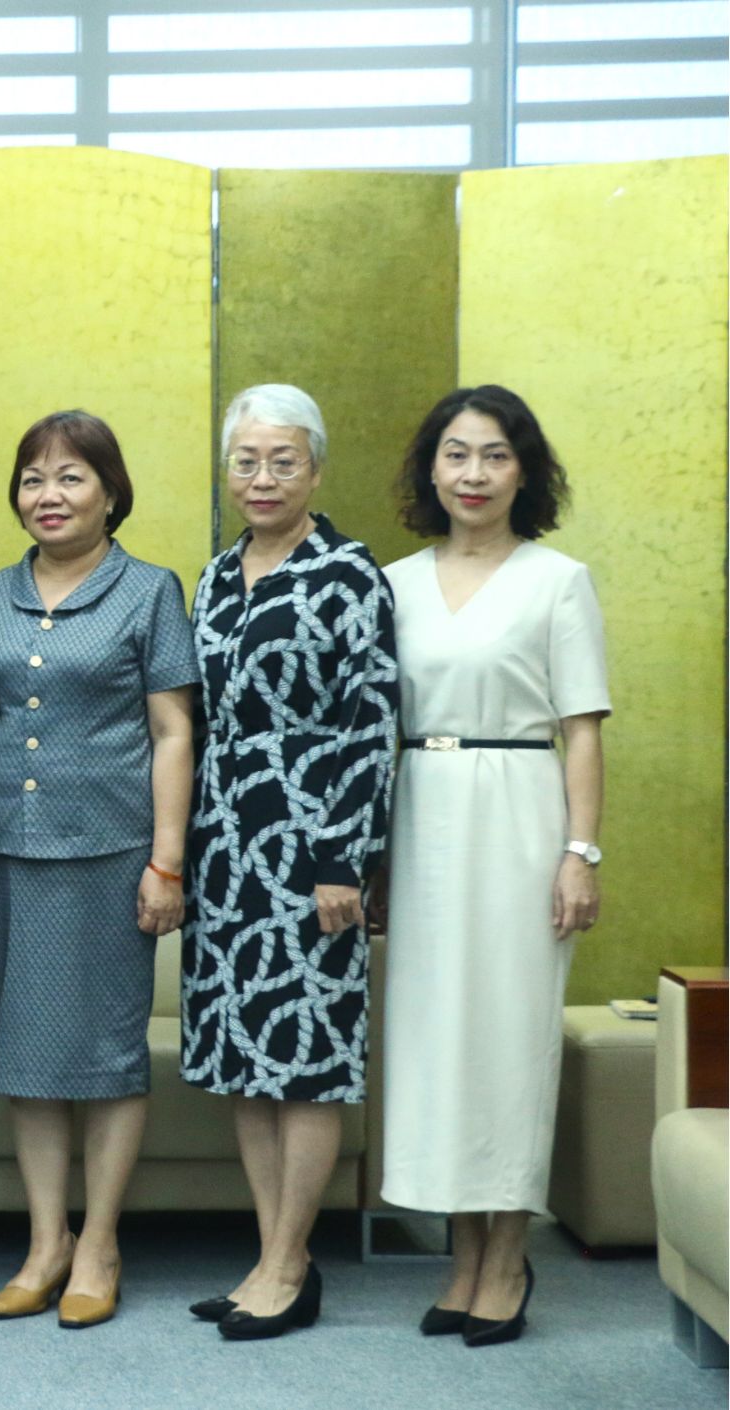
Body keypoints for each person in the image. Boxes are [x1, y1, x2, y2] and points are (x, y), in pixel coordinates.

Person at [0, 411, 196, 1329]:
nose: (49, 496)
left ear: (110, 491)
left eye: (71, 478)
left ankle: (100, 1244)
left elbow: (174, 732)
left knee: (109, 1054)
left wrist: (168, 862)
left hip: (114, 853)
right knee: (26, 1055)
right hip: (10, 851)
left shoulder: (151, 591)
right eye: (33, 480)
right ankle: (46, 1243)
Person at [378, 386, 607, 1347]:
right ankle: (461, 1258)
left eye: (496, 456)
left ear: (526, 470)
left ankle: (507, 1259)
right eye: (458, 455)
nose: (475, 475)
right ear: (431, 467)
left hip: (519, 813)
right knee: (436, 1044)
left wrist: (579, 853)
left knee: (508, 1041)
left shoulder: (558, 580)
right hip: (419, 811)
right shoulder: (390, 582)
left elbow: (582, 732)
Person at [179, 384, 398, 1340]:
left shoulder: (352, 576)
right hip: (225, 845)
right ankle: (275, 1258)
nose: (262, 478)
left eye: (282, 461)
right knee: (245, 1055)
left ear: (315, 467)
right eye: (246, 461)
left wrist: (345, 856)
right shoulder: (217, 577)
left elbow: (374, 724)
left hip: (315, 854)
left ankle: (286, 1263)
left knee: (306, 1054)